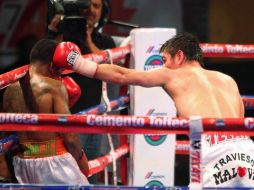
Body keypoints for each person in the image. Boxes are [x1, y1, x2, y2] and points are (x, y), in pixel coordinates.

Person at [54, 33, 254, 187]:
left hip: (213, 151)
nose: (164, 66)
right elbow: (240, 120)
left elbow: (123, 76)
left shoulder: (174, 75)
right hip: (246, 148)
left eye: (165, 60)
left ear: (179, 56)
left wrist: (77, 63)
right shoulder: (228, 80)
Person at [2, 39, 89, 185]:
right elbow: (70, 137)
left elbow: (8, 132)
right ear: (51, 66)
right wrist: (81, 159)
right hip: (55, 164)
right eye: (60, 70)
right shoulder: (54, 87)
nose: (60, 75)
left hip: (23, 164)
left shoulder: (9, 90)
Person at [47, 0, 116, 184]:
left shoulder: (104, 41)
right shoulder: (60, 37)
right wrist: (54, 34)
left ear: (104, 11)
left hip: (95, 118)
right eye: (88, 6)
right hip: (67, 118)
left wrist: (88, 41)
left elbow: (111, 70)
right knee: (68, 175)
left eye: (97, 6)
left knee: (93, 170)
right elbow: (43, 66)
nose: (92, 11)